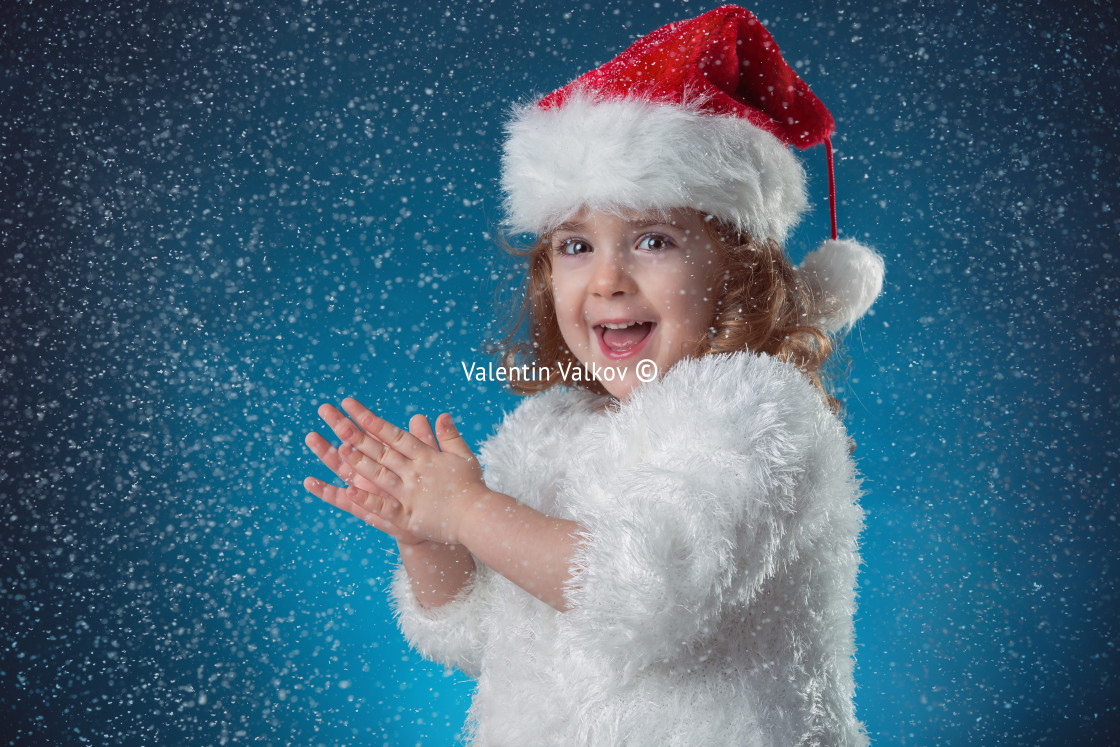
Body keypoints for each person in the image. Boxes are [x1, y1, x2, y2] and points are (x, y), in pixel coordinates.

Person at [303, 5, 884, 745]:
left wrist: (469, 511)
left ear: (735, 268)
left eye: (652, 239)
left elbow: (638, 592)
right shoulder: (548, 428)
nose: (607, 279)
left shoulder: (760, 411)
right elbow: (481, 636)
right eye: (576, 246)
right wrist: (429, 538)